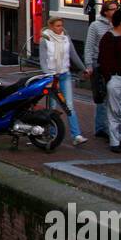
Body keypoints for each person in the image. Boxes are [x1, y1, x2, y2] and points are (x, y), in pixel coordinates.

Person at [39, 15, 89, 145]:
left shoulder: (66, 38)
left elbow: (73, 54)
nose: (61, 28)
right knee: (53, 106)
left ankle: (76, 135)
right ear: (51, 26)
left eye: (62, 25)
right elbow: (43, 60)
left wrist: (84, 68)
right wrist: (48, 75)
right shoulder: (45, 39)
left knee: (69, 105)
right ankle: (52, 133)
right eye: (58, 26)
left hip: (65, 74)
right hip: (52, 76)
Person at [98, 8, 121, 153]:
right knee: (113, 110)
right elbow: (104, 60)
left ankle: (118, 134)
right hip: (115, 79)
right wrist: (110, 77)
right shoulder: (108, 38)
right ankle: (114, 141)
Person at [84, 0, 118, 140]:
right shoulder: (95, 26)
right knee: (102, 97)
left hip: (115, 66)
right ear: (105, 11)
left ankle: (104, 127)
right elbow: (89, 46)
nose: (115, 11)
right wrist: (89, 65)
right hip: (100, 65)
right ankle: (101, 128)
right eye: (112, 9)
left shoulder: (118, 25)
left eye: (117, 8)